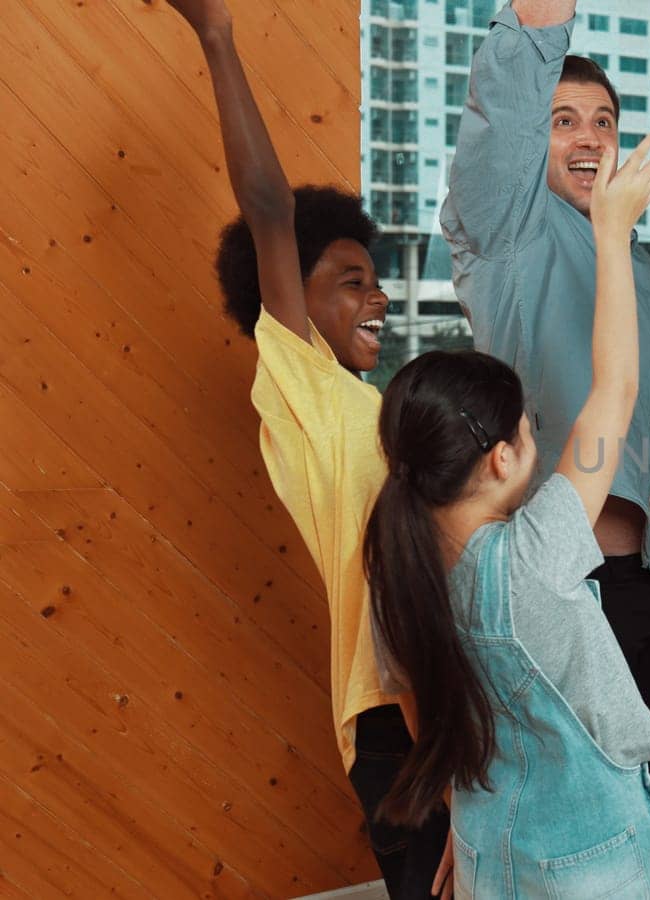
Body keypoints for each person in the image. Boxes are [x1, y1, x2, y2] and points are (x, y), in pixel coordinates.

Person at [165, 0, 448, 894]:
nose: (378, 301)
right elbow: (269, 211)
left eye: (377, 283)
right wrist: (217, 34)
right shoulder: (305, 390)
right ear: (290, 301)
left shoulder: (375, 405)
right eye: (351, 282)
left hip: (436, 698)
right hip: (385, 715)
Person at [366, 133, 650, 899]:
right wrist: (610, 233)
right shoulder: (538, 555)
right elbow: (616, 392)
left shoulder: (397, 572)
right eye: (529, 428)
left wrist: (467, 824)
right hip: (595, 860)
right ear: (501, 458)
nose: (537, 439)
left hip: (487, 846)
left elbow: (419, 711)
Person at [440, 3, 650, 891]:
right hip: (568, 591)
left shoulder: (634, 255)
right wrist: (535, 22)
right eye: (563, 122)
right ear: (531, 142)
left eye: (603, 121)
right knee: (582, 838)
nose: (588, 139)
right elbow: (500, 111)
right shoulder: (504, 228)